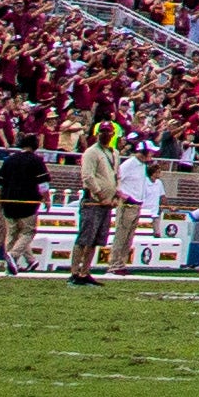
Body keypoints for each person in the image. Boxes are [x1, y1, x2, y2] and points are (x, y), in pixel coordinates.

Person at [69, 121, 123, 285]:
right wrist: (100, 194)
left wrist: (115, 196)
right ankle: (74, 272)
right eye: (102, 132)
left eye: (108, 132)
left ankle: (85, 271)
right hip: (93, 201)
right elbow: (88, 177)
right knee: (85, 237)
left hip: (107, 203)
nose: (105, 134)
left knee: (96, 240)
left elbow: (116, 176)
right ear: (97, 134)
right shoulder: (91, 152)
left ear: (113, 134)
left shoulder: (114, 153)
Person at [0, 132, 45, 278]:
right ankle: (13, 255)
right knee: (28, 232)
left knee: (12, 233)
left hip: (8, 202)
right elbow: (43, 184)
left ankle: (9, 268)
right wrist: (47, 199)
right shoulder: (36, 161)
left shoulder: (9, 160)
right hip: (28, 203)